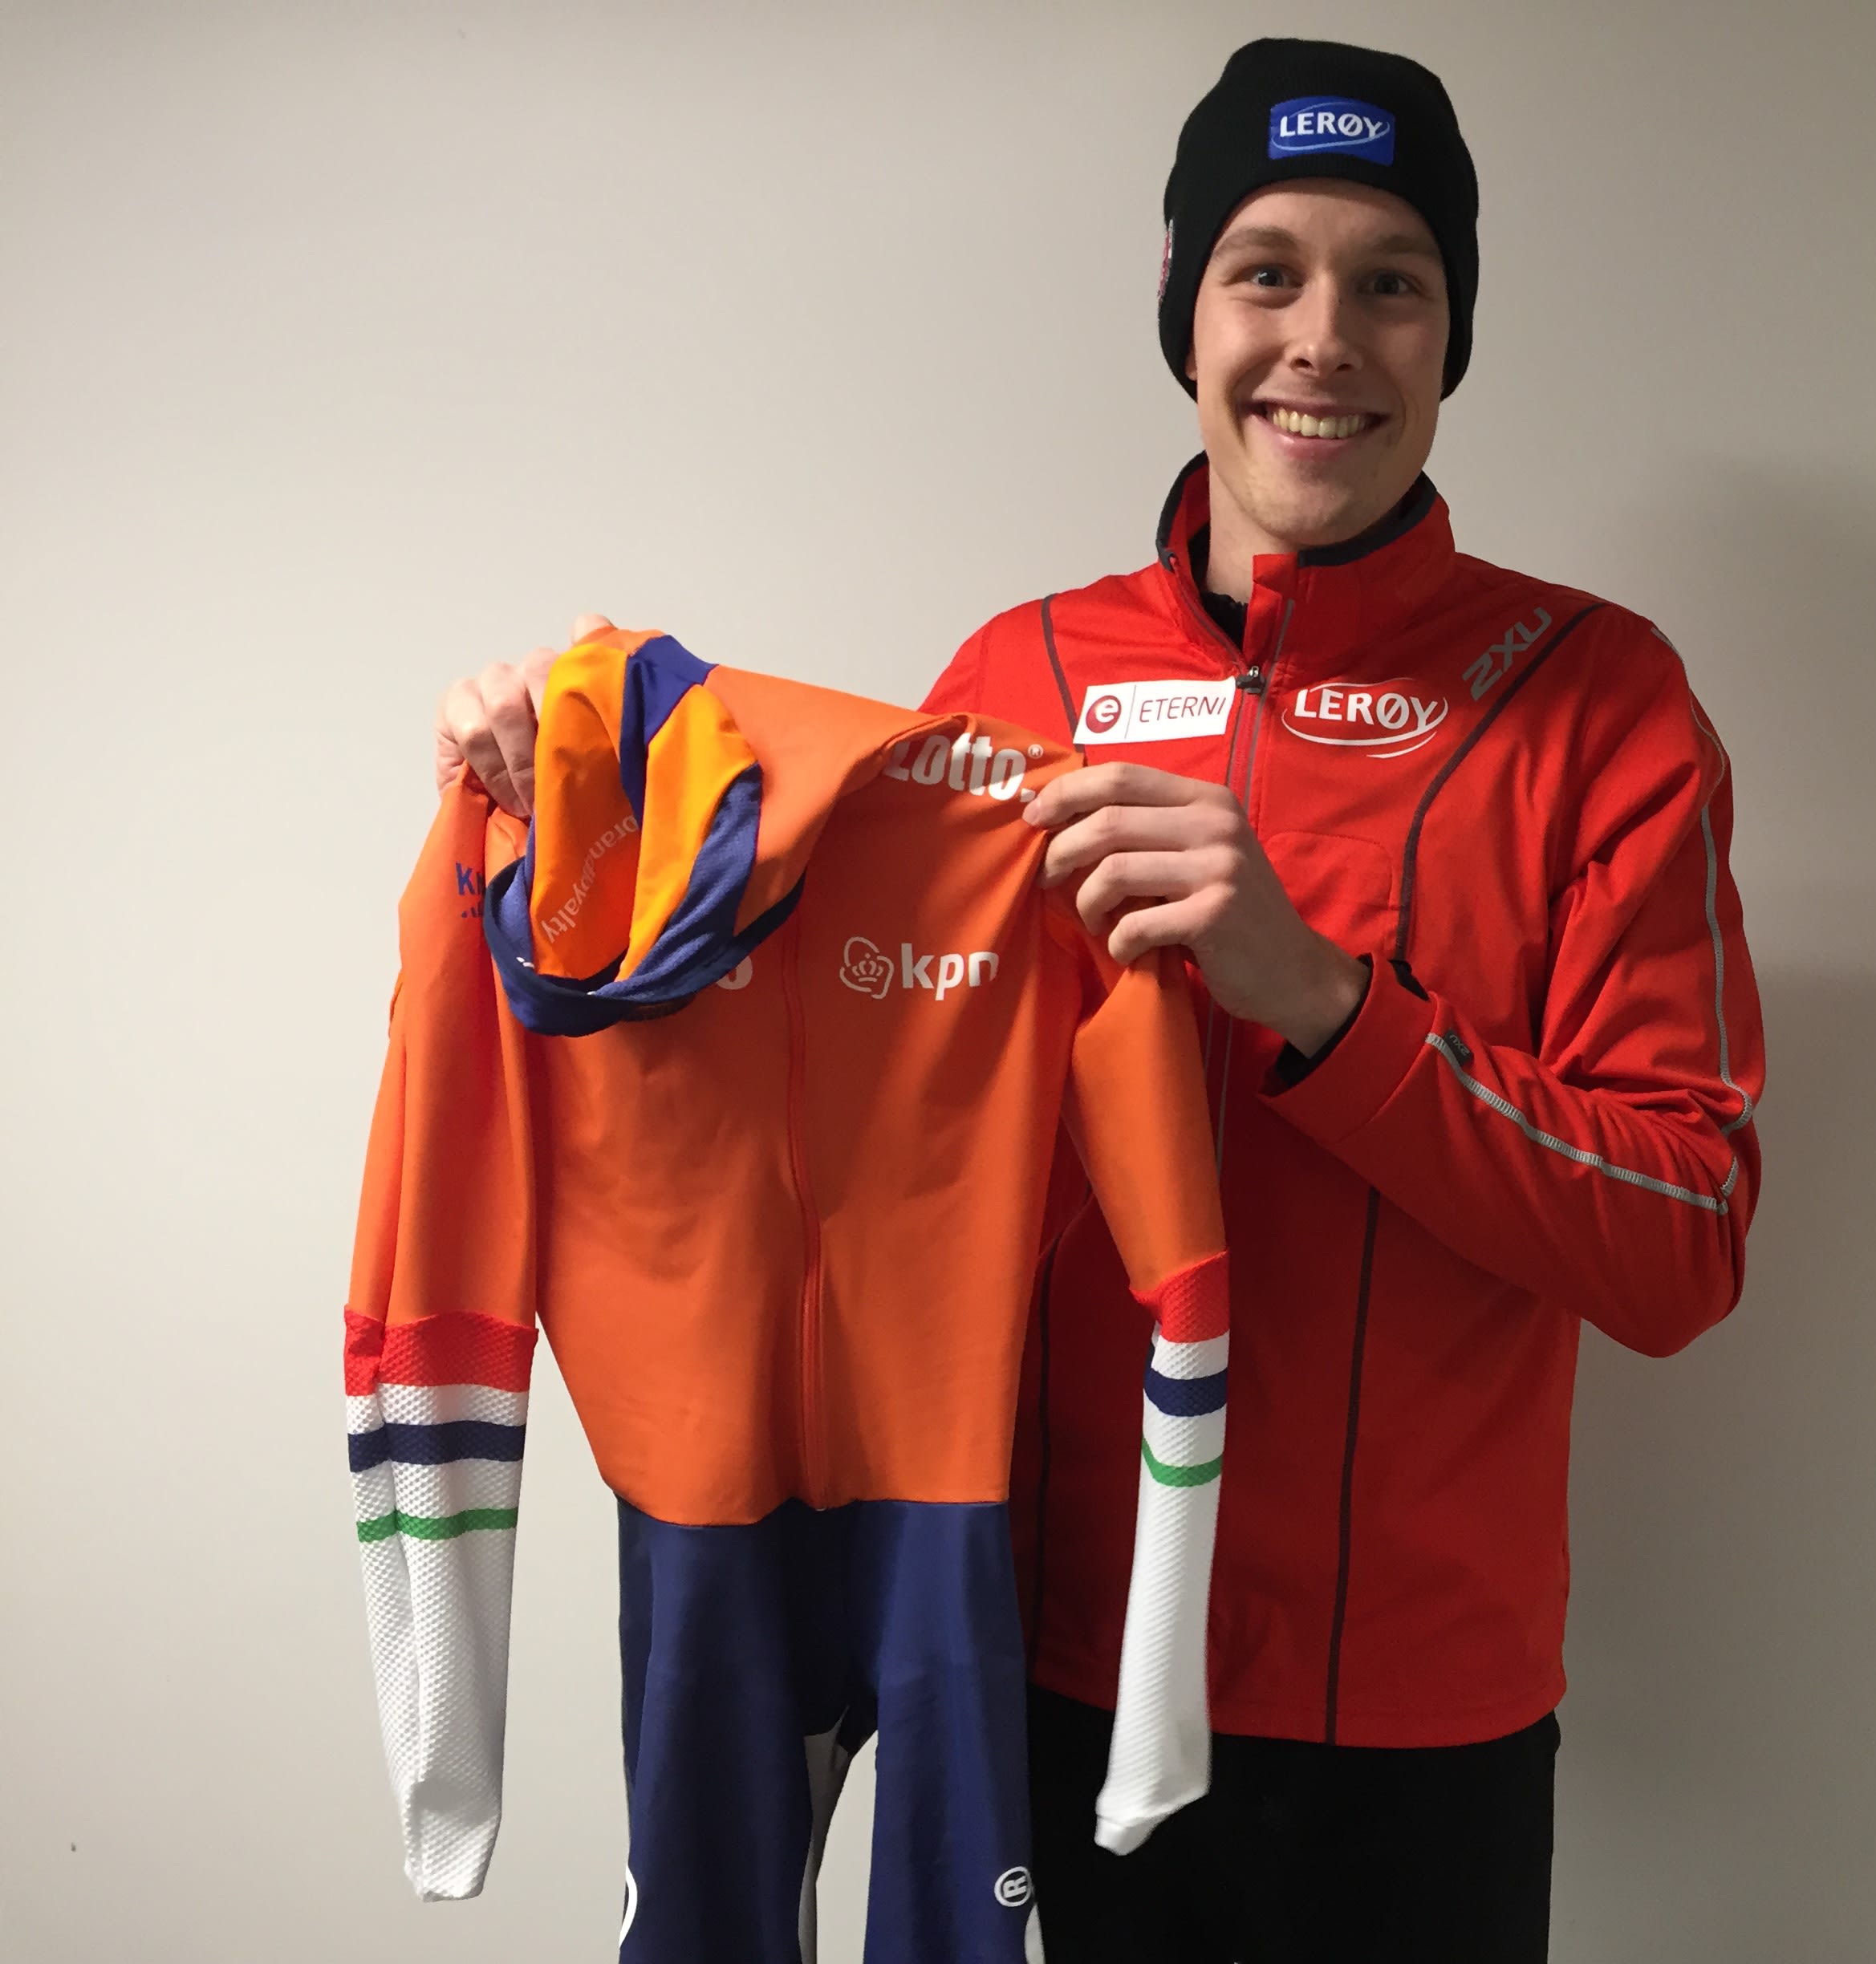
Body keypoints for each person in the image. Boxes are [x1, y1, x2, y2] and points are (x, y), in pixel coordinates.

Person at [432, 38, 1764, 1963]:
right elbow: (811, 1075)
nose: (1325, 339)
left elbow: (1684, 1239)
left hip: (1421, 1725)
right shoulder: (1014, 675)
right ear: (1186, 311)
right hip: (1043, 1667)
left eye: (1393, 281)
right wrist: (573, 806)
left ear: (1453, 330)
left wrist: (1325, 1003)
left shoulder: (1601, 700)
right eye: (1266, 272)